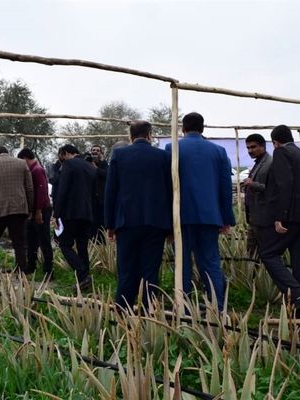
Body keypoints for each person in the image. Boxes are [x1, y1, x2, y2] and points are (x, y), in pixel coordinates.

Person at [165, 112, 235, 309]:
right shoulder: (219, 151)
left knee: (182, 261)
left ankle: (184, 307)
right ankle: (218, 306)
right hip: (210, 216)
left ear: (183, 128)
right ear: (203, 128)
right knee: (210, 261)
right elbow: (225, 186)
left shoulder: (172, 148)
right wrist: (226, 218)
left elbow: (168, 185)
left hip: (181, 216)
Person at [105, 121, 172, 311]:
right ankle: (147, 313)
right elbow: (170, 191)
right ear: (150, 135)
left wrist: (110, 224)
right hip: (156, 222)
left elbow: (111, 192)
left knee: (126, 269)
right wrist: (170, 226)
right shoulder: (163, 157)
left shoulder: (119, 155)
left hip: (127, 222)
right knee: (150, 269)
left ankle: (122, 310)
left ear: (130, 136)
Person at [258, 125, 300, 318]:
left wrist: (280, 217)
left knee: (268, 253)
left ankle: (297, 293)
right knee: (299, 262)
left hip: (291, 216)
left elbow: (284, 185)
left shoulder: (282, 153)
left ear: (275, 142)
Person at [0, 146, 34, 279]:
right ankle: (23, 273)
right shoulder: (21, 163)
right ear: (8, 153)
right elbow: (29, 188)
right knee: (19, 243)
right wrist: (30, 208)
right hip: (19, 209)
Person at [53, 144, 97, 290]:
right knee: (82, 246)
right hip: (87, 213)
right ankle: (84, 280)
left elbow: (63, 190)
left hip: (71, 213)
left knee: (64, 244)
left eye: (61, 156)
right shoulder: (90, 166)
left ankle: (82, 272)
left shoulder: (69, 164)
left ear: (65, 153)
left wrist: (57, 213)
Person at [17, 148, 54, 278]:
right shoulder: (31, 170)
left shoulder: (37, 170)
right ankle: (31, 265)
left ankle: (48, 270)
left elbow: (41, 193)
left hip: (41, 210)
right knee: (31, 239)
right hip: (33, 211)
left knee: (44, 240)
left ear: (25, 158)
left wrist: (38, 212)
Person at [242, 134, 272, 259]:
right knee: (252, 252)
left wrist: (252, 184)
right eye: (248, 148)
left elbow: (272, 188)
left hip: (263, 218)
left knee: (263, 252)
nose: (250, 151)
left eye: (253, 147)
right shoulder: (259, 162)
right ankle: (253, 277)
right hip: (255, 217)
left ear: (263, 146)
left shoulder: (269, 163)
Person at [90, 144, 108, 242]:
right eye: (94, 150)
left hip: (101, 199)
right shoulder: (88, 163)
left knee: (101, 223)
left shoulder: (104, 164)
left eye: (98, 150)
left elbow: (106, 175)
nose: (95, 152)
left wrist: (96, 167)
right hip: (91, 199)